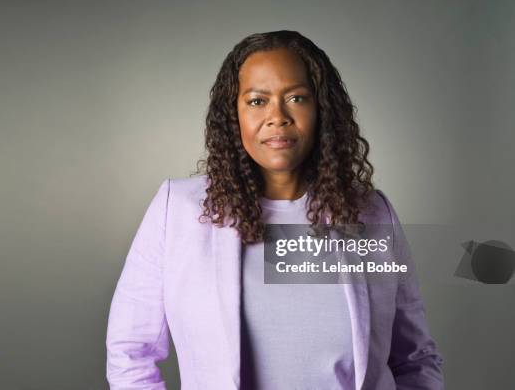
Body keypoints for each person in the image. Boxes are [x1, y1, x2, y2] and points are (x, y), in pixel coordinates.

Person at [106, 30, 445, 389]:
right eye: (256, 101)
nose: (277, 117)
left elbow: (414, 358)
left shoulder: (371, 213)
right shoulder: (178, 211)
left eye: (297, 98)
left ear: (322, 110)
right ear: (233, 114)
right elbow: (131, 351)